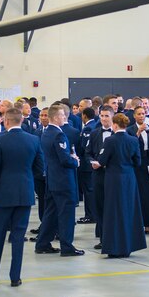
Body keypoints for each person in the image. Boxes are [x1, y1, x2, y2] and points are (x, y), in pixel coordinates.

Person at [0, 108, 43, 286]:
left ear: (6, 121)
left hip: (2, 195)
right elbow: (40, 168)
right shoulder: (33, 140)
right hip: (24, 193)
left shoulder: (0, 140)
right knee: (18, 236)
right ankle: (15, 277)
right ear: (21, 120)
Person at [35, 104, 84, 256]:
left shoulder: (46, 133)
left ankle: (42, 243)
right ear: (56, 117)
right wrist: (75, 161)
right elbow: (64, 160)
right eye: (63, 115)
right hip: (63, 181)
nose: (65, 118)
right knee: (66, 214)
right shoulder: (58, 135)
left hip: (52, 179)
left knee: (51, 213)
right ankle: (67, 246)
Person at [98, 113, 146, 258]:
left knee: (113, 212)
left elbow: (102, 160)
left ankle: (114, 247)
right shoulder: (133, 140)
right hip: (129, 178)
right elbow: (138, 162)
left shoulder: (110, 140)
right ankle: (129, 245)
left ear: (115, 125)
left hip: (114, 179)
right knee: (129, 210)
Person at [127, 106, 149, 234]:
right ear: (134, 116)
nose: (142, 116)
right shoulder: (130, 130)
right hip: (137, 166)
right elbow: (129, 147)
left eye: (143, 113)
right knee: (137, 194)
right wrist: (138, 133)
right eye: (139, 114)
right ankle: (137, 224)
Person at [86, 105, 115, 247]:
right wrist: (93, 162)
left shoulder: (118, 134)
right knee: (99, 206)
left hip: (113, 175)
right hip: (98, 175)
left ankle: (113, 238)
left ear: (112, 117)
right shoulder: (94, 133)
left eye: (106, 116)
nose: (103, 119)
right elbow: (88, 152)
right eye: (101, 116)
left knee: (113, 207)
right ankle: (103, 239)